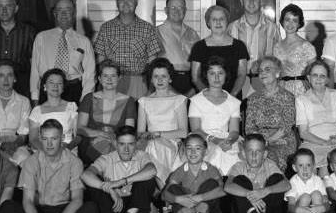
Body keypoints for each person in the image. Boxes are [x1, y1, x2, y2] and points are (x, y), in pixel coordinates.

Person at [83, 125, 159, 213]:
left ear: (136, 144)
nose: (126, 149)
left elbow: (152, 170)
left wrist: (121, 182)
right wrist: (110, 190)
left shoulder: (142, 155)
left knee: (147, 180)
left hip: (136, 204)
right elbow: (85, 175)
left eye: (131, 144)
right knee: (95, 187)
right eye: (122, 144)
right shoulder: (107, 158)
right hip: (115, 204)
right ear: (115, 144)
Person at [94, 0, 164, 98]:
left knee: (137, 114)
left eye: (129, 0)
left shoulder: (147, 28)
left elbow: (153, 62)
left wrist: (151, 88)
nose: (125, 3)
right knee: (114, 115)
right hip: (112, 83)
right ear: (117, 3)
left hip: (139, 83)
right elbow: (101, 60)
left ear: (136, 1)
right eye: (121, 0)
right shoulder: (106, 28)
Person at [29, 0, 96, 103]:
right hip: (48, 90)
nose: (64, 13)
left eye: (68, 10)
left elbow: (89, 74)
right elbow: (35, 70)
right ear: (55, 14)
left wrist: (85, 99)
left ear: (74, 14)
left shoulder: (84, 41)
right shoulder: (41, 37)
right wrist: (35, 97)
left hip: (73, 91)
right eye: (60, 10)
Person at [224, 134, 289, 213]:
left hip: (267, 211)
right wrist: (250, 196)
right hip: (244, 212)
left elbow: (287, 184)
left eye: (258, 151)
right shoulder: (238, 166)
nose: (254, 156)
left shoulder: (270, 164)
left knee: (277, 178)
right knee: (239, 180)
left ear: (264, 154)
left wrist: (266, 190)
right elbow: (227, 187)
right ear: (244, 154)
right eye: (250, 151)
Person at [137, 57, 189, 186]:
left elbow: (183, 132)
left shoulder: (179, 100)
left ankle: (166, 190)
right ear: (151, 79)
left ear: (170, 78)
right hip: (150, 142)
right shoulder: (144, 101)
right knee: (153, 146)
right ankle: (166, 192)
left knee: (157, 146)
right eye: (156, 76)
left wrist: (159, 134)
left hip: (172, 143)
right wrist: (150, 136)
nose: (160, 80)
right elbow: (140, 132)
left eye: (163, 76)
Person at [76, 61, 138, 167]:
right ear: (99, 78)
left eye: (113, 76)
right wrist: (100, 134)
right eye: (105, 76)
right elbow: (79, 128)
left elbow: (129, 130)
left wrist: (114, 139)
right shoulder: (89, 98)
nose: (109, 79)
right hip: (91, 141)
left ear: (119, 78)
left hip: (118, 142)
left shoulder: (129, 101)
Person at [188, 56, 243, 175]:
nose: (216, 77)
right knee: (214, 152)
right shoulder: (196, 100)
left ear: (226, 75)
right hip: (202, 138)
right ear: (206, 75)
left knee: (233, 157)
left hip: (226, 138)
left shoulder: (233, 102)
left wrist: (228, 141)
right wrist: (215, 140)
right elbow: (196, 129)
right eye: (212, 73)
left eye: (220, 73)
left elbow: (234, 131)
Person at [163, 134, 226, 213]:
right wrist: (178, 199)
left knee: (212, 183)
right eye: (189, 148)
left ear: (205, 151)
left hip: (206, 211)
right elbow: (165, 194)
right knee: (172, 188)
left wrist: (199, 197)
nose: (193, 152)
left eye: (197, 148)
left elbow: (222, 190)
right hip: (186, 205)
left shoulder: (211, 169)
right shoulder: (180, 170)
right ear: (184, 151)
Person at [241, 55, 297, 169]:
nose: (262, 73)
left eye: (267, 69)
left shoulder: (287, 97)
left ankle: (274, 184)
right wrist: (261, 141)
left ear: (277, 73)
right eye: (260, 71)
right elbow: (249, 128)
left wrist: (268, 141)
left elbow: (286, 127)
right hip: (258, 141)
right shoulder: (253, 98)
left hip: (282, 141)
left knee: (269, 156)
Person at [294, 59, 336, 166]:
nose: (318, 79)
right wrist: (325, 143)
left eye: (322, 76)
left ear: (327, 79)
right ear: (308, 78)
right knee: (306, 160)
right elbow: (303, 132)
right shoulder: (301, 100)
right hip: (312, 142)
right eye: (315, 75)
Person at [189, 5, 250, 97]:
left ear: (227, 22)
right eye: (214, 19)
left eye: (221, 19)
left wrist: (231, 96)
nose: (218, 22)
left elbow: (241, 75)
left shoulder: (239, 46)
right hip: (206, 99)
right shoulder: (198, 47)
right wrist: (209, 95)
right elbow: (195, 77)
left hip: (232, 98)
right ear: (208, 23)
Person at [228, 0, 277, 97]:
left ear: (260, 1)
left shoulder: (272, 28)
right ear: (241, 1)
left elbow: (277, 58)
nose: (251, 2)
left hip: (264, 82)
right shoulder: (231, 28)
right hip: (238, 82)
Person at [155, 0, 200, 96]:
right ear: (166, 10)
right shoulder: (156, 32)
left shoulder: (192, 33)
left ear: (185, 10)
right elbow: (153, 64)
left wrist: (194, 87)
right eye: (173, 8)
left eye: (180, 8)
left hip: (191, 82)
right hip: (167, 82)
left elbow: (199, 60)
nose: (177, 11)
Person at [28, 69, 79, 151]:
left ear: (63, 87)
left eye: (59, 83)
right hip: (43, 150)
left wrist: (65, 149)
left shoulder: (71, 107)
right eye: (51, 83)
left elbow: (78, 136)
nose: (55, 86)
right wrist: (47, 152)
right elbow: (33, 139)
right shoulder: (37, 111)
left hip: (67, 150)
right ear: (44, 86)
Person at [285, 148, 329, 213]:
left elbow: (326, 202)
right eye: (300, 165)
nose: (305, 169)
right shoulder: (293, 181)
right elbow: (290, 206)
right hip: (297, 211)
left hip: (315, 209)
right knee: (305, 197)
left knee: (317, 194)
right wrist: (299, 210)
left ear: (313, 166)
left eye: (308, 165)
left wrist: (320, 208)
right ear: (294, 167)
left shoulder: (317, 180)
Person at [274, 4, 316, 96]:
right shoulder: (277, 46)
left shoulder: (306, 46)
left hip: (300, 89)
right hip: (281, 88)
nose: (290, 24)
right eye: (287, 19)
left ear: (299, 24)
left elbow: (315, 71)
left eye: (294, 20)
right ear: (282, 21)